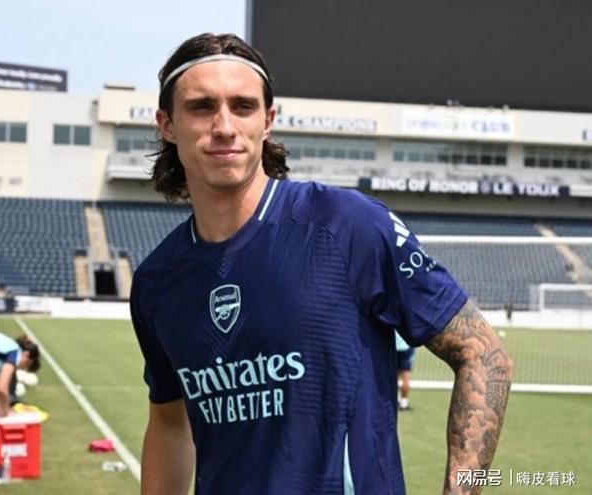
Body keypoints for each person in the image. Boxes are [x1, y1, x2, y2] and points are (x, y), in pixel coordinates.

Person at [130, 32, 512, 494]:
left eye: (243, 106)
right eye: (202, 107)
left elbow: (484, 355)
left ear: (268, 121)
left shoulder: (348, 226)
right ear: (167, 124)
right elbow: (170, 423)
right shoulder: (157, 282)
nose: (225, 126)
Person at [395, 331, 415, 411]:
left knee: (393, 376)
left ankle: (395, 399)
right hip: (406, 346)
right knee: (406, 374)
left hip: (393, 345)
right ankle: (404, 402)